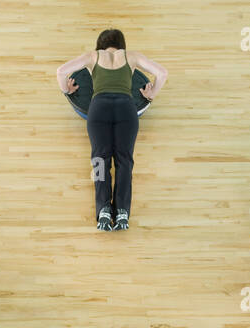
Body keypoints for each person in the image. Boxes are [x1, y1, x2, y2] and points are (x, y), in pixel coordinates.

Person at [56, 30, 168, 230]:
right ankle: (122, 211)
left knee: (100, 160)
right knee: (125, 160)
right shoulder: (131, 56)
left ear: (101, 45)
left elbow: (60, 72)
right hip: (126, 107)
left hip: (98, 109)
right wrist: (151, 94)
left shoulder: (93, 56)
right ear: (121, 45)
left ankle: (103, 210)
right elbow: (163, 73)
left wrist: (67, 90)